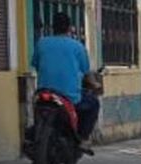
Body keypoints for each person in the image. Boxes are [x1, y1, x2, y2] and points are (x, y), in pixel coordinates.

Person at [31, 13, 99, 141]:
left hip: (43, 93)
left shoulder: (41, 43)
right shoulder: (77, 46)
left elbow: (36, 65)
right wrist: (95, 84)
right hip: (69, 97)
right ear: (69, 28)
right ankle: (83, 139)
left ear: (52, 27)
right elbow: (87, 73)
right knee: (93, 103)